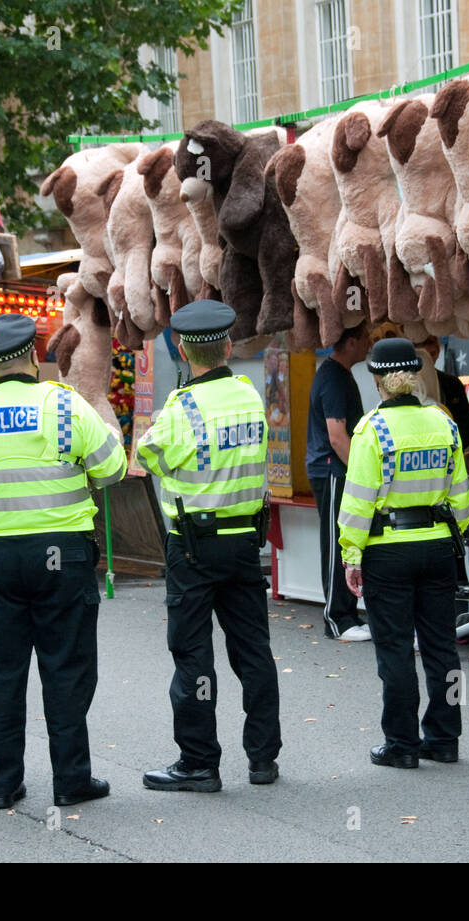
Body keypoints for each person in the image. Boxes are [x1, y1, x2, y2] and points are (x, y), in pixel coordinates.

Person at [0, 312, 127, 809]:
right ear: (35, 356)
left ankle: (3, 785)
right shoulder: (65, 405)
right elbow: (111, 470)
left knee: (4, 672)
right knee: (66, 667)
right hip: (62, 555)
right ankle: (71, 781)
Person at [136, 300, 282, 792]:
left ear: (181, 347)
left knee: (194, 655)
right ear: (226, 345)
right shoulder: (248, 395)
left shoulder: (182, 408)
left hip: (194, 548)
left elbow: (148, 454)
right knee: (253, 652)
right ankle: (263, 758)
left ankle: (200, 763)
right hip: (244, 542)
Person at [338, 338, 469, 767]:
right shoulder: (443, 424)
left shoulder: (370, 430)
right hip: (437, 549)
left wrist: (351, 555)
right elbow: (463, 502)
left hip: (388, 553)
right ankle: (444, 739)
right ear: (414, 376)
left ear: (377, 380)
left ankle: (402, 744)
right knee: (441, 647)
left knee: (395, 649)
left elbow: (357, 502)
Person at [305, 321, 372, 642]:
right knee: (336, 544)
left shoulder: (338, 374)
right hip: (333, 470)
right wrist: (362, 474)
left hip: (336, 470)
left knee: (346, 542)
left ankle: (347, 613)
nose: (369, 344)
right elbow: (336, 436)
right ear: (350, 342)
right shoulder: (332, 378)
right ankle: (337, 620)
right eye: (365, 338)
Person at [421, 336, 469, 450]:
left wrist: (454, 446)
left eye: (433, 353)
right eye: (425, 356)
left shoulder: (452, 383)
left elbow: (466, 424)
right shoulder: (406, 384)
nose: (430, 360)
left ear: (438, 352)